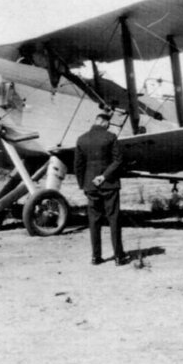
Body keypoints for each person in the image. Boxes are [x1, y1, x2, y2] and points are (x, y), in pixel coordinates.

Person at [75, 111, 125, 265]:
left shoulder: (81, 139)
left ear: (95, 120)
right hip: (109, 184)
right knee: (114, 219)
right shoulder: (111, 137)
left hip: (91, 186)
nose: (108, 125)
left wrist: (83, 184)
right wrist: (104, 176)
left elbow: (78, 166)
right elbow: (118, 161)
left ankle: (96, 257)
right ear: (103, 122)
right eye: (107, 122)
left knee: (94, 221)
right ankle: (118, 256)